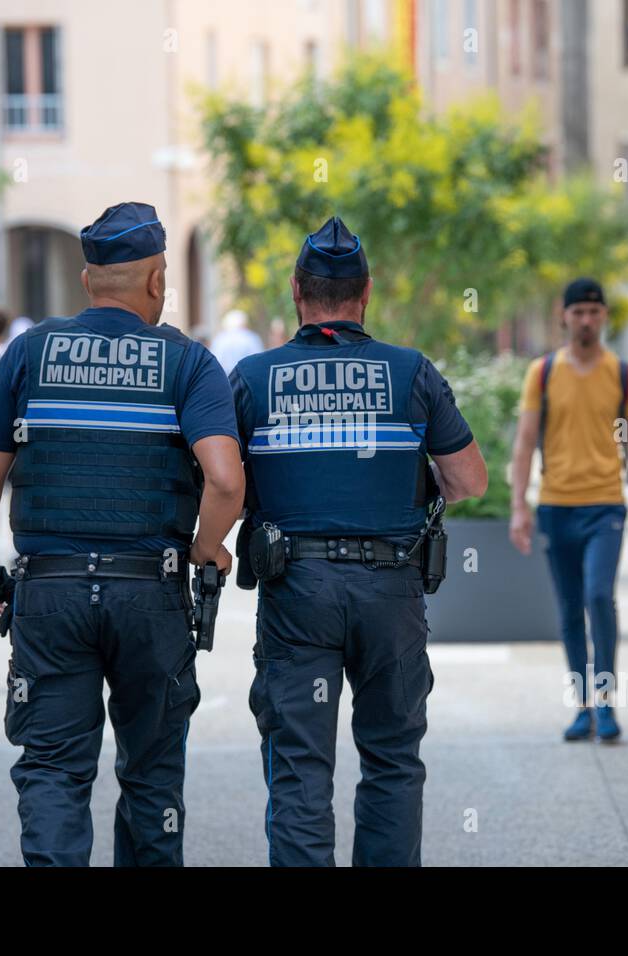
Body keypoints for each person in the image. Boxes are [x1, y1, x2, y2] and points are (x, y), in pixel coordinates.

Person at [0, 202, 244, 866]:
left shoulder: (28, 353)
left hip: (50, 594)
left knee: (54, 770)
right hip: (151, 597)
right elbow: (226, 482)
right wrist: (206, 548)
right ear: (156, 281)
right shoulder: (189, 363)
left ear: (88, 282)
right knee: (151, 776)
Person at [229, 216, 488, 866]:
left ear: (297, 289)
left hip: (296, 593)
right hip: (389, 592)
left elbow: (222, 486)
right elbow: (469, 480)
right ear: (365, 292)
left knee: (300, 767)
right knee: (393, 759)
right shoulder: (411, 372)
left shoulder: (254, 378)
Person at [508, 278, 628, 742]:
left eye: (594, 311)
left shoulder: (624, 375)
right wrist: (519, 508)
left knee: (597, 597)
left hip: (606, 505)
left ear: (604, 316)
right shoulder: (543, 373)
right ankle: (583, 705)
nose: (586, 320)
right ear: (563, 316)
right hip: (555, 506)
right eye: (578, 312)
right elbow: (526, 443)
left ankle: (606, 703)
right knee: (569, 610)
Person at [208, 308, 264, 374]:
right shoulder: (251, 338)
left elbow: (214, 362)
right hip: (246, 378)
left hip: (225, 379)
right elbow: (259, 361)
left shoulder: (220, 339)